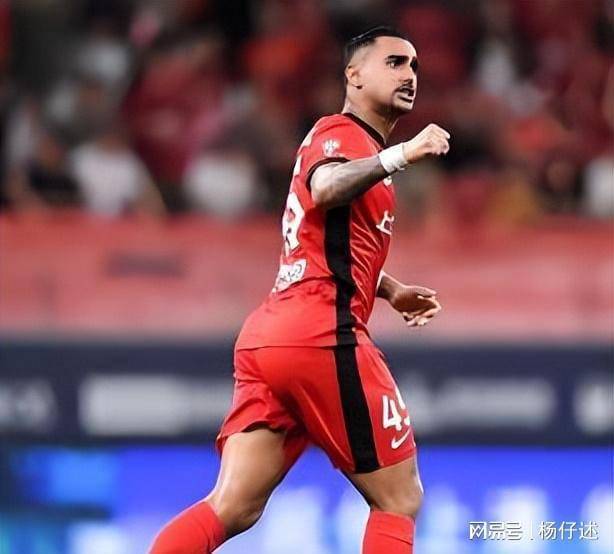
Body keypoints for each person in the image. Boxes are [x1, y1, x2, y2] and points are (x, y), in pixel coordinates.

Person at [150, 26, 450, 553]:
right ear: (353, 75)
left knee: (232, 506)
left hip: (271, 337)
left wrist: (388, 289)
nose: (409, 75)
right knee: (399, 498)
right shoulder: (342, 134)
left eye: (415, 66)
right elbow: (325, 188)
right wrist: (403, 154)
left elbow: (318, 244)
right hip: (320, 333)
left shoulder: (358, 152)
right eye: (395, 62)